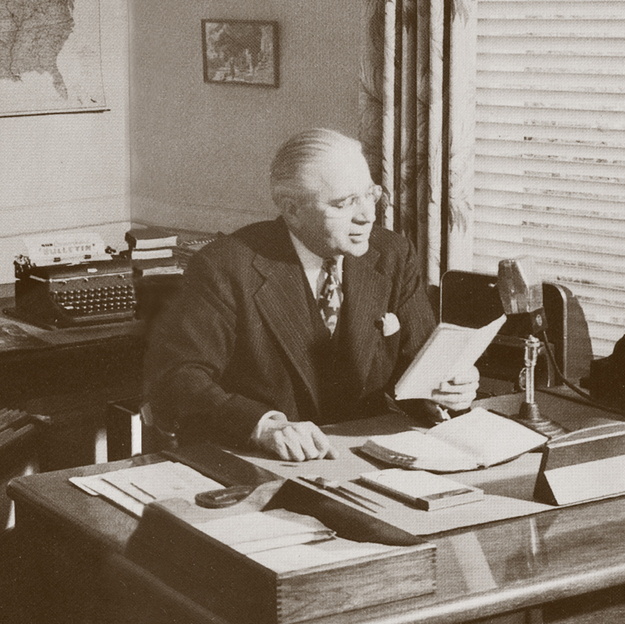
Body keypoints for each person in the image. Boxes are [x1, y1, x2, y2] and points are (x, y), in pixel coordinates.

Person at [143, 128, 479, 461]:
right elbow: (176, 378)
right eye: (343, 203)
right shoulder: (226, 265)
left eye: (369, 195)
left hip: (365, 457)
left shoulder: (392, 255)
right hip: (259, 461)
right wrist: (263, 427)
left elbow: (418, 367)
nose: (366, 215)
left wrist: (445, 391)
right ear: (292, 210)